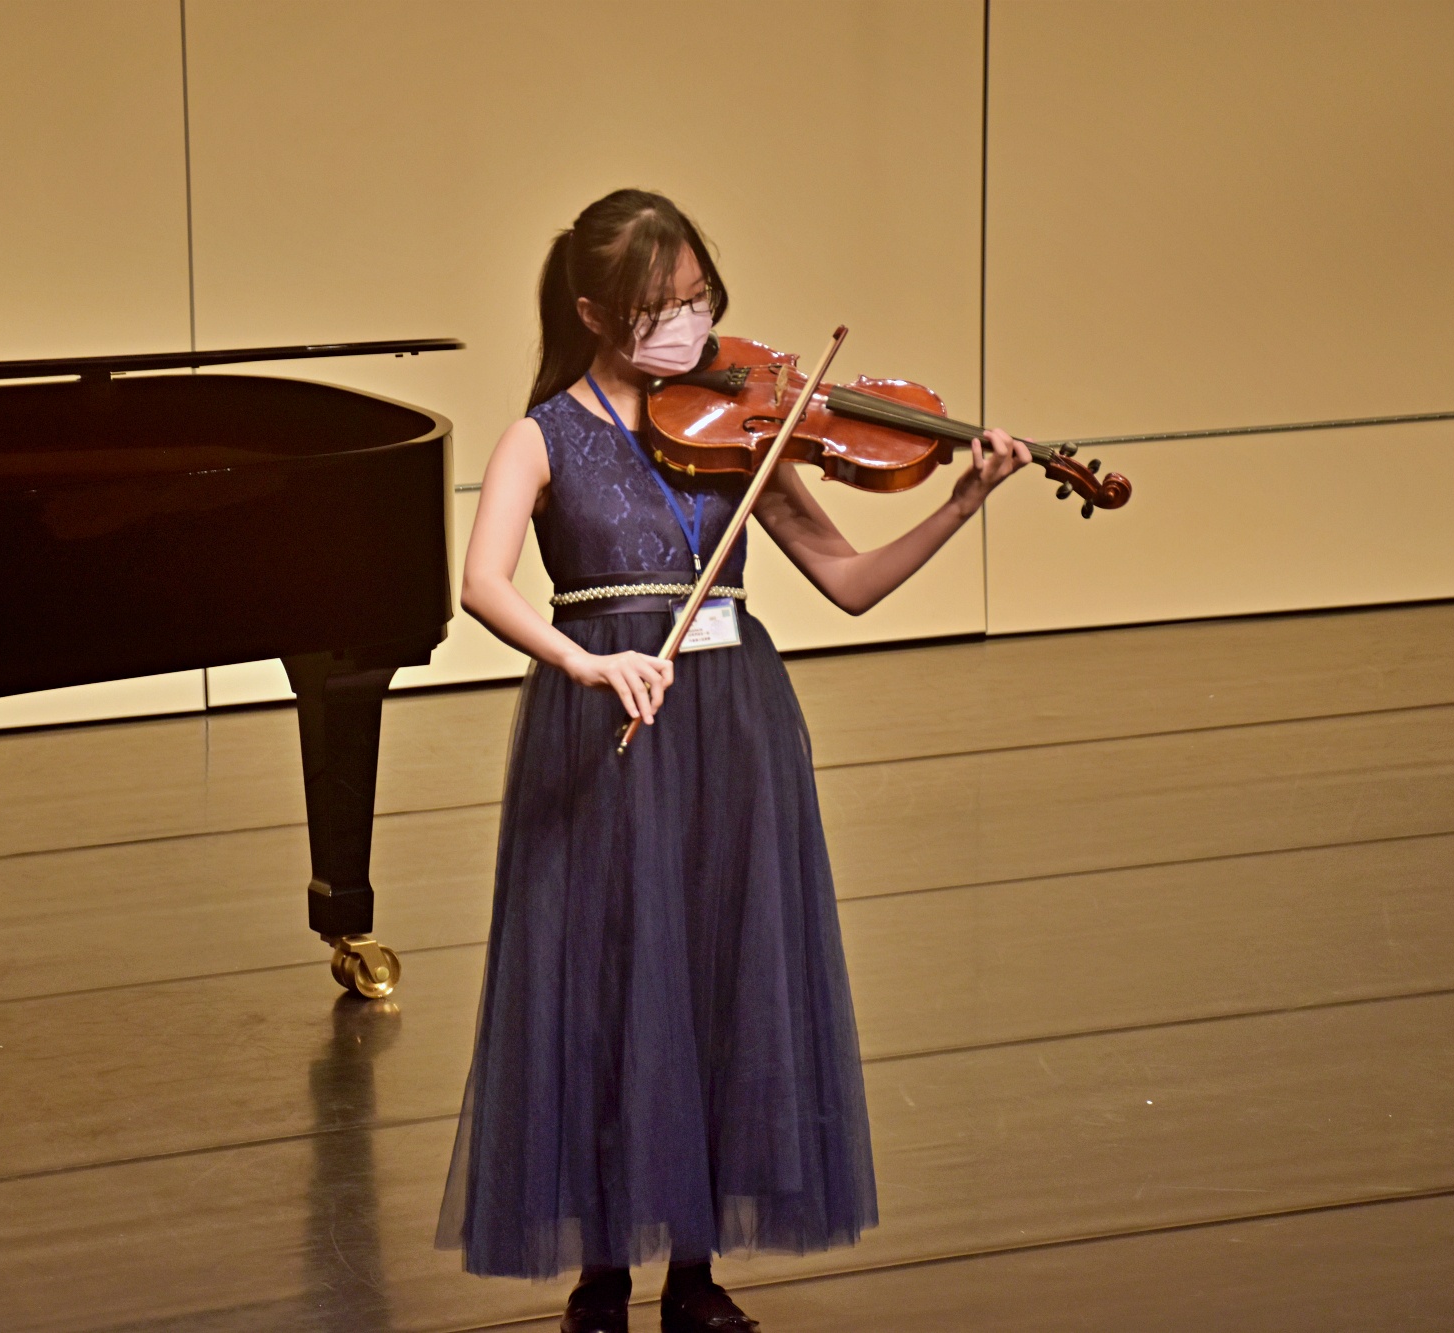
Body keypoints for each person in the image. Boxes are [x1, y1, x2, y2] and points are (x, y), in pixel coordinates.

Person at [438, 188, 1031, 1333]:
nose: (688, 324)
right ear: (592, 313)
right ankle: (600, 1276)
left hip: (732, 721)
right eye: (658, 306)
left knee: (717, 977)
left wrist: (960, 503)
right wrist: (583, 662)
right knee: (610, 986)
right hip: (609, 722)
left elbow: (847, 581)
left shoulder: (734, 429)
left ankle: (694, 1273)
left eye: (698, 298)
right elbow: (482, 582)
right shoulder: (541, 435)